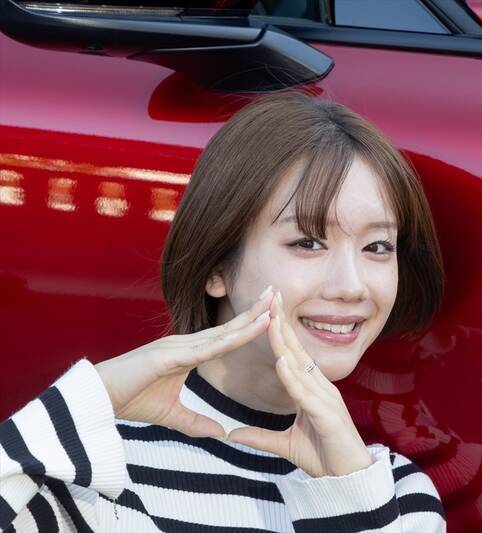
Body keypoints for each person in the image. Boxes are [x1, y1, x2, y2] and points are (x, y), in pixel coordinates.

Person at [0, 91, 447, 532]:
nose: (351, 286)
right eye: (307, 242)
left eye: (378, 247)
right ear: (216, 266)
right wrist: (90, 399)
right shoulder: (95, 469)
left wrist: (351, 494)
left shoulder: (398, 497)